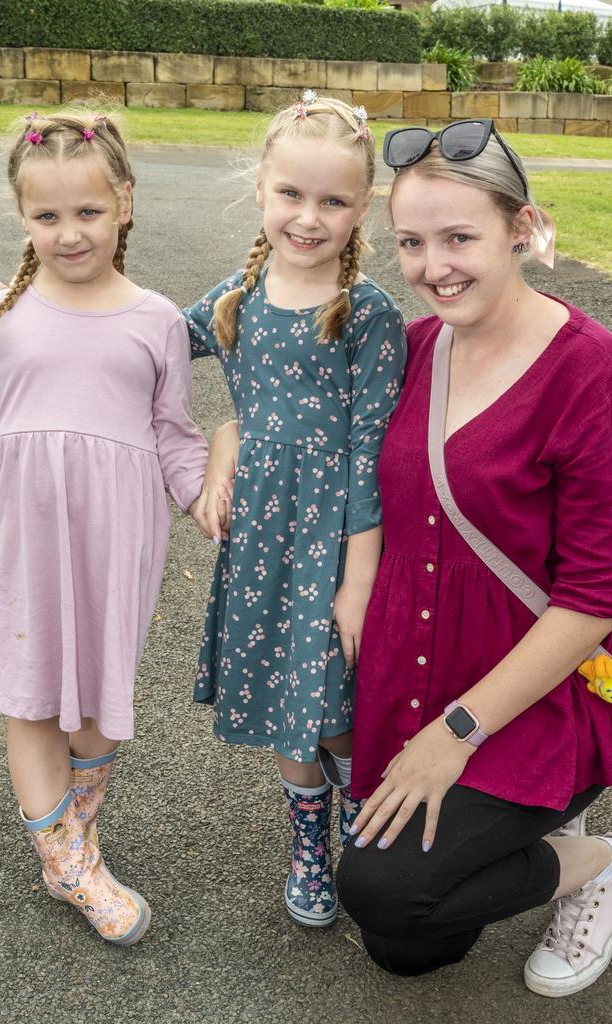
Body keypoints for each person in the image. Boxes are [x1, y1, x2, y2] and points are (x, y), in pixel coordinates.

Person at [332, 120, 612, 996]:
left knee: (384, 891)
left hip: (531, 688)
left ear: (522, 227)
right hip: (421, 662)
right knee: (407, 946)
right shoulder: (415, 345)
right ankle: (526, 839)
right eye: (411, 242)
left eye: (460, 238)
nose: (435, 266)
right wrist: (224, 439)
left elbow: (595, 598)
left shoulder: (594, 373)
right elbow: (308, 413)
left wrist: (455, 735)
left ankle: (595, 862)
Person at [0, 110, 209, 945]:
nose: (69, 233)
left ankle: (74, 842)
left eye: (88, 212)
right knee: (28, 698)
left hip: (117, 543)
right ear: (23, 218)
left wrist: (210, 501)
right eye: (48, 216)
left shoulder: (158, 318)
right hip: (20, 539)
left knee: (94, 703)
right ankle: (70, 864)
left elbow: (174, 432)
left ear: (124, 203)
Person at [186, 92, 407, 928]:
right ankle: (308, 835)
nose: (308, 218)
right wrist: (219, 441)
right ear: (261, 191)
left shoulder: (370, 315)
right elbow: (140, 351)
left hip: (335, 541)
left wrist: (359, 583)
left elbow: (369, 455)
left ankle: (362, 816)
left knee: (337, 701)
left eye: (334, 201)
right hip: (258, 542)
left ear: (363, 208)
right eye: (292, 194)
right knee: (287, 694)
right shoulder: (232, 300)